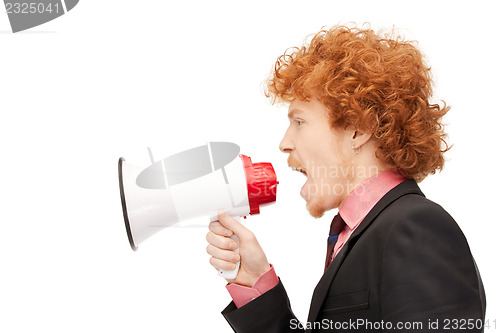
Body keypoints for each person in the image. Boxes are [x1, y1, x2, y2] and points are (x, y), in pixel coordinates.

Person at [206, 25, 486, 332]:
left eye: (300, 121)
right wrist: (257, 283)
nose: (284, 143)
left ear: (358, 129)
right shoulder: (358, 235)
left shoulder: (416, 227)